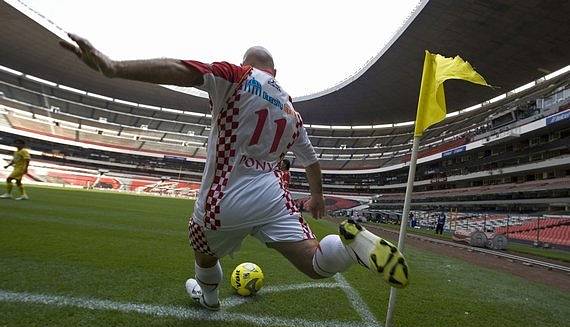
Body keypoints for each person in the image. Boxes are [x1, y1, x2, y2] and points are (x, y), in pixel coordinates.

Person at [61, 34, 409, 310]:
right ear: (277, 72)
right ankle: (350, 250)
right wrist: (317, 196)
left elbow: (183, 69)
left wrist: (113, 67)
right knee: (315, 263)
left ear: (246, 63)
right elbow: (312, 162)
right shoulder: (291, 110)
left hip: (225, 198)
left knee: (201, 247)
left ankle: (210, 299)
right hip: (273, 196)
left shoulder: (237, 76)